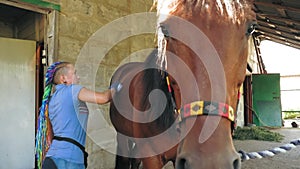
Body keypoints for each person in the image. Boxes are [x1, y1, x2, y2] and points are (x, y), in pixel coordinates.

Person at [36, 61, 121, 169]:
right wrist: (116, 85)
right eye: (75, 73)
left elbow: (49, 136)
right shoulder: (73, 90)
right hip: (71, 161)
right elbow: (104, 98)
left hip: (51, 159)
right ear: (64, 79)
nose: (78, 77)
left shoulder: (51, 100)